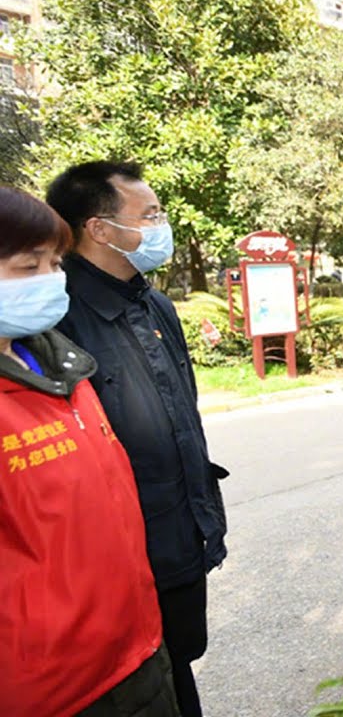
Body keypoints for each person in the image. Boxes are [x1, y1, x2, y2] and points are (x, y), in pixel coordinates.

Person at [45, 162, 227, 717]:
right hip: (120, 553)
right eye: (149, 216)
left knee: (179, 661)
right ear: (99, 229)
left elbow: (183, 418)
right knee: (143, 679)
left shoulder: (155, 304)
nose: (161, 226)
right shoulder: (60, 318)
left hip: (179, 532)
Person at [0, 187, 180, 716]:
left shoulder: (64, 372)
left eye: (54, 264)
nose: (52, 281)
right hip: (49, 688)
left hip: (133, 650)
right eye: (27, 266)